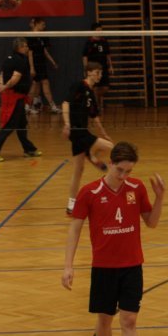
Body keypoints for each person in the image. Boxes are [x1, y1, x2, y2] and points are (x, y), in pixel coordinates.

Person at [62, 141, 165, 336]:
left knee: (129, 321)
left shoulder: (136, 188)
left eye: (128, 171)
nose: (124, 176)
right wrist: (68, 265)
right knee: (105, 320)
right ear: (110, 163)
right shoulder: (90, 192)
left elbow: (151, 223)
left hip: (132, 267)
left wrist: (160, 198)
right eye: (120, 170)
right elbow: (74, 228)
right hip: (104, 269)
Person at [63, 62, 115, 215]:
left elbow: (95, 117)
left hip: (82, 132)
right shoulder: (78, 86)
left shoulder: (91, 94)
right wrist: (67, 124)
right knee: (112, 148)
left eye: (101, 73)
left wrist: (104, 133)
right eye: (97, 72)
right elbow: (65, 103)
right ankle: (91, 155)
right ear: (89, 72)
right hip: (76, 131)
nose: (100, 76)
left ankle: (71, 205)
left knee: (78, 170)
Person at [0, 38, 43, 162]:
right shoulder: (21, 60)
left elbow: (1, 74)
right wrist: (5, 87)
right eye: (26, 46)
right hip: (15, 96)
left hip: (14, 95)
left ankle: (29, 149)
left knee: (22, 124)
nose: (27, 48)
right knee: (10, 125)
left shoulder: (9, 59)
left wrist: (2, 85)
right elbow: (15, 78)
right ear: (20, 47)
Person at [26, 17, 61, 114]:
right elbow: (30, 53)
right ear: (36, 24)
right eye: (42, 24)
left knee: (41, 84)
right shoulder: (30, 36)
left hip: (42, 63)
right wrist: (32, 68)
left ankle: (31, 106)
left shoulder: (42, 36)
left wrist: (53, 62)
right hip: (35, 64)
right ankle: (28, 106)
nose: (44, 26)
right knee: (36, 85)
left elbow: (44, 51)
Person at [82, 22, 114, 111]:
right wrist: (86, 69)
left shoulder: (104, 41)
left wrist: (111, 66)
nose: (100, 32)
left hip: (103, 68)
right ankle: (96, 108)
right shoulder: (89, 42)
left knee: (105, 88)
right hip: (93, 69)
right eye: (98, 30)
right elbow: (84, 57)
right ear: (93, 31)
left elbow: (108, 55)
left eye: (101, 30)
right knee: (95, 88)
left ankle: (93, 98)